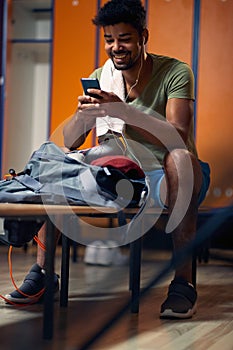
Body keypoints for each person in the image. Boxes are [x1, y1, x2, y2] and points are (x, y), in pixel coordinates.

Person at [6, 0, 210, 319]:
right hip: (122, 175)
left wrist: (124, 113)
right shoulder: (102, 76)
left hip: (170, 175)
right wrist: (83, 115)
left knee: (181, 159)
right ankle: (44, 276)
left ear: (143, 36)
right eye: (109, 39)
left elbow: (178, 134)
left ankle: (184, 283)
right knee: (63, 161)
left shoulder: (176, 71)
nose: (117, 47)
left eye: (125, 38)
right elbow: (71, 139)